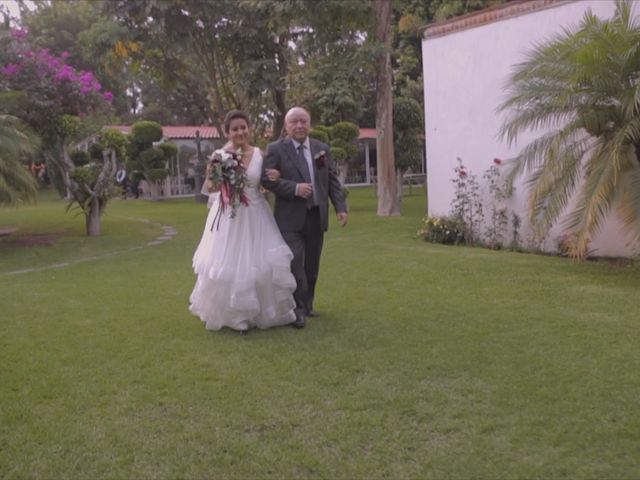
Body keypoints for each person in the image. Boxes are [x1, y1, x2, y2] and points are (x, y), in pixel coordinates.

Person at [189, 110, 297, 333]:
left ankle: (262, 312)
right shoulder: (219, 155)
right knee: (229, 264)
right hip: (229, 217)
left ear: (249, 129)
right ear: (227, 132)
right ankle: (234, 316)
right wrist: (222, 174)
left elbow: (266, 180)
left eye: (243, 127)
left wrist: (273, 179)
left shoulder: (261, 154)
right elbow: (210, 187)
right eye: (235, 129)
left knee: (260, 262)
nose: (240, 132)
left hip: (256, 213)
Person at [261, 107, 348, 329]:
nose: (299, 125)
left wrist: (340, 207)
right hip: (290, 219)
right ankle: (296, 310)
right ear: (287, 126)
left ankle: (308, 305)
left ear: (310, 124)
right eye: (294, 122)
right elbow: (267, 180)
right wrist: (294, 188)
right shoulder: (276, 149)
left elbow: (330, 180)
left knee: (312, 266)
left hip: (315, 217)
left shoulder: (321, 149)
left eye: (303, 121)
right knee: (295, 265)